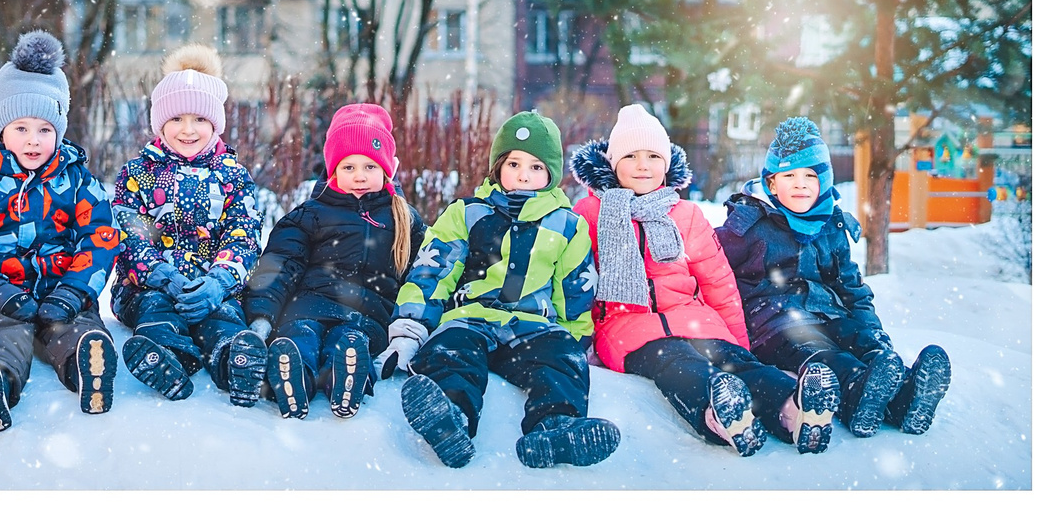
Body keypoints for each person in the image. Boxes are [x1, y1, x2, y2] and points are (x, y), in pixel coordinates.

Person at [574, 104, 839, 455]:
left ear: (667, 165)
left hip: (694, 318)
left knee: (736, 361)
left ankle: (794, 410)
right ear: (612, 164)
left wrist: (738, 341)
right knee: (676, 362)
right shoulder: (591, 213)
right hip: (627, 327)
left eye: (653, 156)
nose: (643, 165)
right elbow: (575, 280)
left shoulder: (684, 214)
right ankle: (719, 413)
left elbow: (718, 282)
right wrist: (579, 340)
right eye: (631, 156)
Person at [386, 111, 622, 470]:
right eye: (514, 163)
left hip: (533, 327)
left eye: (536, 167)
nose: (524, 174)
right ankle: (451, 419)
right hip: (472, 319)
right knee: (450, 351)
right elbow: (434, 271)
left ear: (551, 175)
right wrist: (411, 327)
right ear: (498, 167)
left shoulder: (567, 225)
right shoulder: (467, 213)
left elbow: (575, 288)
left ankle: (555, 428)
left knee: (559, 361)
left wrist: (577, 341)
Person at [0, 32, 121, 432]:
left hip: (62, 293)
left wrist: (75, 291)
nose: (33, 139)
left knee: (76, 327)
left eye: (45, 130)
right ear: (1, 129)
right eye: (21, 128)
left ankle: (88, 367)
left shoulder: (76, 179)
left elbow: (100, 235)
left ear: (60, 132)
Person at [718, 118, 949, 437]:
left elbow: (851, 287)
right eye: (789, 175)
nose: (800, 184)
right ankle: (856, 393)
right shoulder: (748, 225)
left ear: (823, 181)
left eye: (810, 176)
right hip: (776, 324)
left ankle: (905, 397)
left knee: (857, 336)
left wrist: (872, 332)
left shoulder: (831, 224)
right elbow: (711, 267)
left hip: (828, 313)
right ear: (772, 184)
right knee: (817, 348)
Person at [230, 101, 419, 419]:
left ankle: (344, 377)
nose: (359, 176)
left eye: (370, 167)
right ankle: (292, 376)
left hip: (366, 317)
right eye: (348, 167)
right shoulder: (310, 214)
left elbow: (424, 274)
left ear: (386, 170)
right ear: (333, 172)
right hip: (308, 307)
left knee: (349, 342)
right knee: (300, 335)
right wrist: (262, 313)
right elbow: (280, 262)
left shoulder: (404, 219)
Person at [109, 46, 264, 405]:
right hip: (150, 285)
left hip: (213, 287)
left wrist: (219, 280)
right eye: (177, 119)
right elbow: (129, 235)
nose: (188, 129)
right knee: (155, 311)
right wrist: (163, 276)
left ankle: (234, 361)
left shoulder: (233, 177)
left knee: (224, 316)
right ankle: (167, 357)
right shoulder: (138, 174)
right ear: (160, 123)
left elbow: (244, 234)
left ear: (215, 124)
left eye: (199, 119)